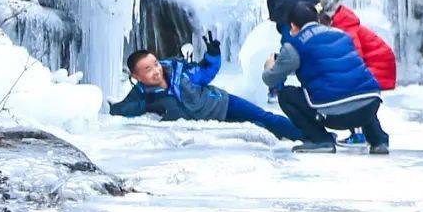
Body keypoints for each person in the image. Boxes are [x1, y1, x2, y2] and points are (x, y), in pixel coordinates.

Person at [109, 31, 305, 141]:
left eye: (155, 64)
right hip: (210, 122)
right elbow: (121, 111)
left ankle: (307, 135)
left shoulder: (180, 71)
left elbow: (206, 71)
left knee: (263, 117)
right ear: (136, 75)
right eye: (147, 69)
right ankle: (291, 137)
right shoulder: (143, 96)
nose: (155, 70)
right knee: (257, 127)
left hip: (223, 103)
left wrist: (213, 54)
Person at [263, 2, 390, 154]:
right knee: (355, 83)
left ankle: (321, 140)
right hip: (371, 104)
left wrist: (270, 65)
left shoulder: (294, 45)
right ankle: (378, 140)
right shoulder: (341, 34)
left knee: (286, 95)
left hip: (335, 114)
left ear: (293, 26)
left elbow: (270, 79)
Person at [328, 5, 397, 145]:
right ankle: (374, 137)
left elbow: (355, 54)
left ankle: (361, 135)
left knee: (358, 96)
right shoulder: (345, 23)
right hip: (377, 64)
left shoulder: (344, 27)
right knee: (362, 100)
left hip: (377, 66)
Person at [265, 0, 321, 102]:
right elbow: (318, 2)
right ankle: (312, 89)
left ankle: (275, 89)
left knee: (286, 50)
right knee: (310, 51)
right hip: (309, 15)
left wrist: (275, 18)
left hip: (288, 15)